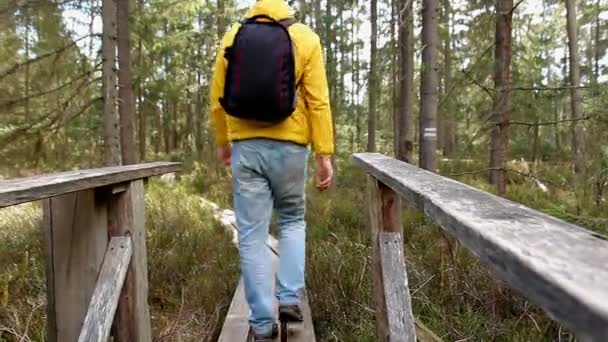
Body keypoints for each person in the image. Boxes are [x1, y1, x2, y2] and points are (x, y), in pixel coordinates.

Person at [209, 0, 334, 340]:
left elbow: (217, 95)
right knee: (292, 219)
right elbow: (318, 101)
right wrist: (325, 153)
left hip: (246, 148)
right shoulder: (306, 37)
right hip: (291, 148)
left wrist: (224, 141)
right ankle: (290, 298)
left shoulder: (233, 35)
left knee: (251, 235)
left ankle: (262, 324)